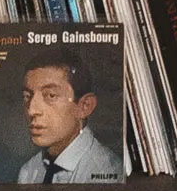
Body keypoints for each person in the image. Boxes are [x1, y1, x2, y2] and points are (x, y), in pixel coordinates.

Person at [15, 50, 122, 182]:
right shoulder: (28, 172)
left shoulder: (108, 174)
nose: (32, 110)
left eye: (51, 95)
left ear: (84, 106)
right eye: (27, 96)